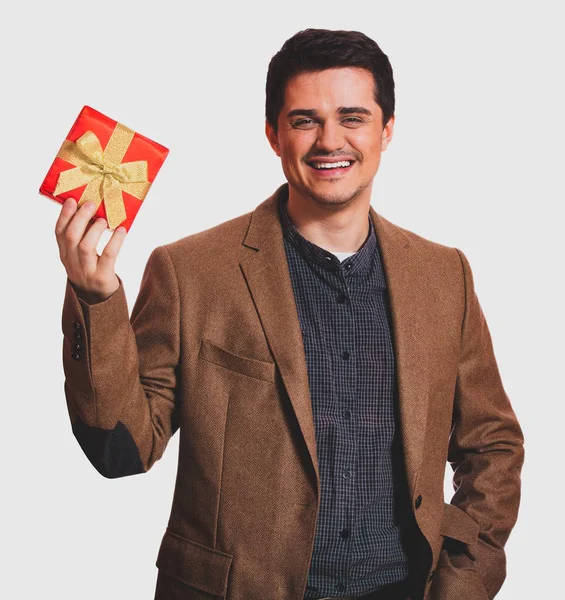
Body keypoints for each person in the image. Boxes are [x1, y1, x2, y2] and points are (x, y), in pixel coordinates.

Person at [54, 28, 524, 600]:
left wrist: (462, 581)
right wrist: (96, 298)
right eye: (305, 120)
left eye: (353, 117)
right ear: (274, 135)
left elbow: (492, 444)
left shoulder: (444, 274)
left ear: (387, 130)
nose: (331, 140)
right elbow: (121, 450)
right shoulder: (190, 272)